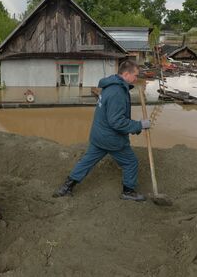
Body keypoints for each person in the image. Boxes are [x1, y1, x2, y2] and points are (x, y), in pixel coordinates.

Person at [53, 60, 150, 201]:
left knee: (87, 161)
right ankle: (128, 191)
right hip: (112, 139)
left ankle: (66, 187)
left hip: (99, 135)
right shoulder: (118, 92)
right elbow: (116, 122)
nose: (137, 78)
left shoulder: (110, 86)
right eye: (135, 75)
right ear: (126, 74)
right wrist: (139, 125)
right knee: (131, 162)